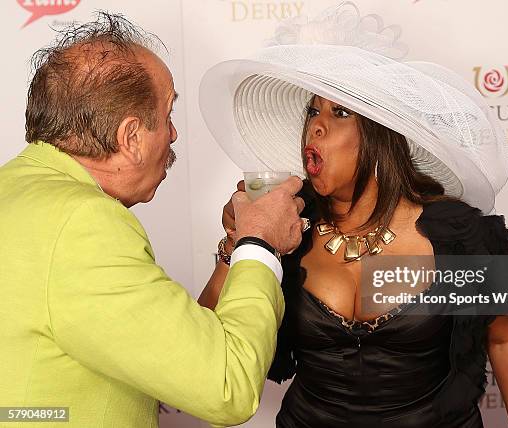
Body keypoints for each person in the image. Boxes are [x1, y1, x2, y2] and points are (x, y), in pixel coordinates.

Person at [199, 3, 508, 427]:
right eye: (312, 111)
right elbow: (206, 339)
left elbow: (504, 340)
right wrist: (241, 242)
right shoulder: (285, 227)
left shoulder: (454, 234)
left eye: (339, 112)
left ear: (379, 135)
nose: (316, 127)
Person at [0, 12, 306, 428]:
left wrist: (236, 251)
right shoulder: (82, 224)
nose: (174, 135)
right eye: (167, 117)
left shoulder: (15, 191)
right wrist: (262, 243)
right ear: (130, 138)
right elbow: (226, 386)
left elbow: (167, 355)